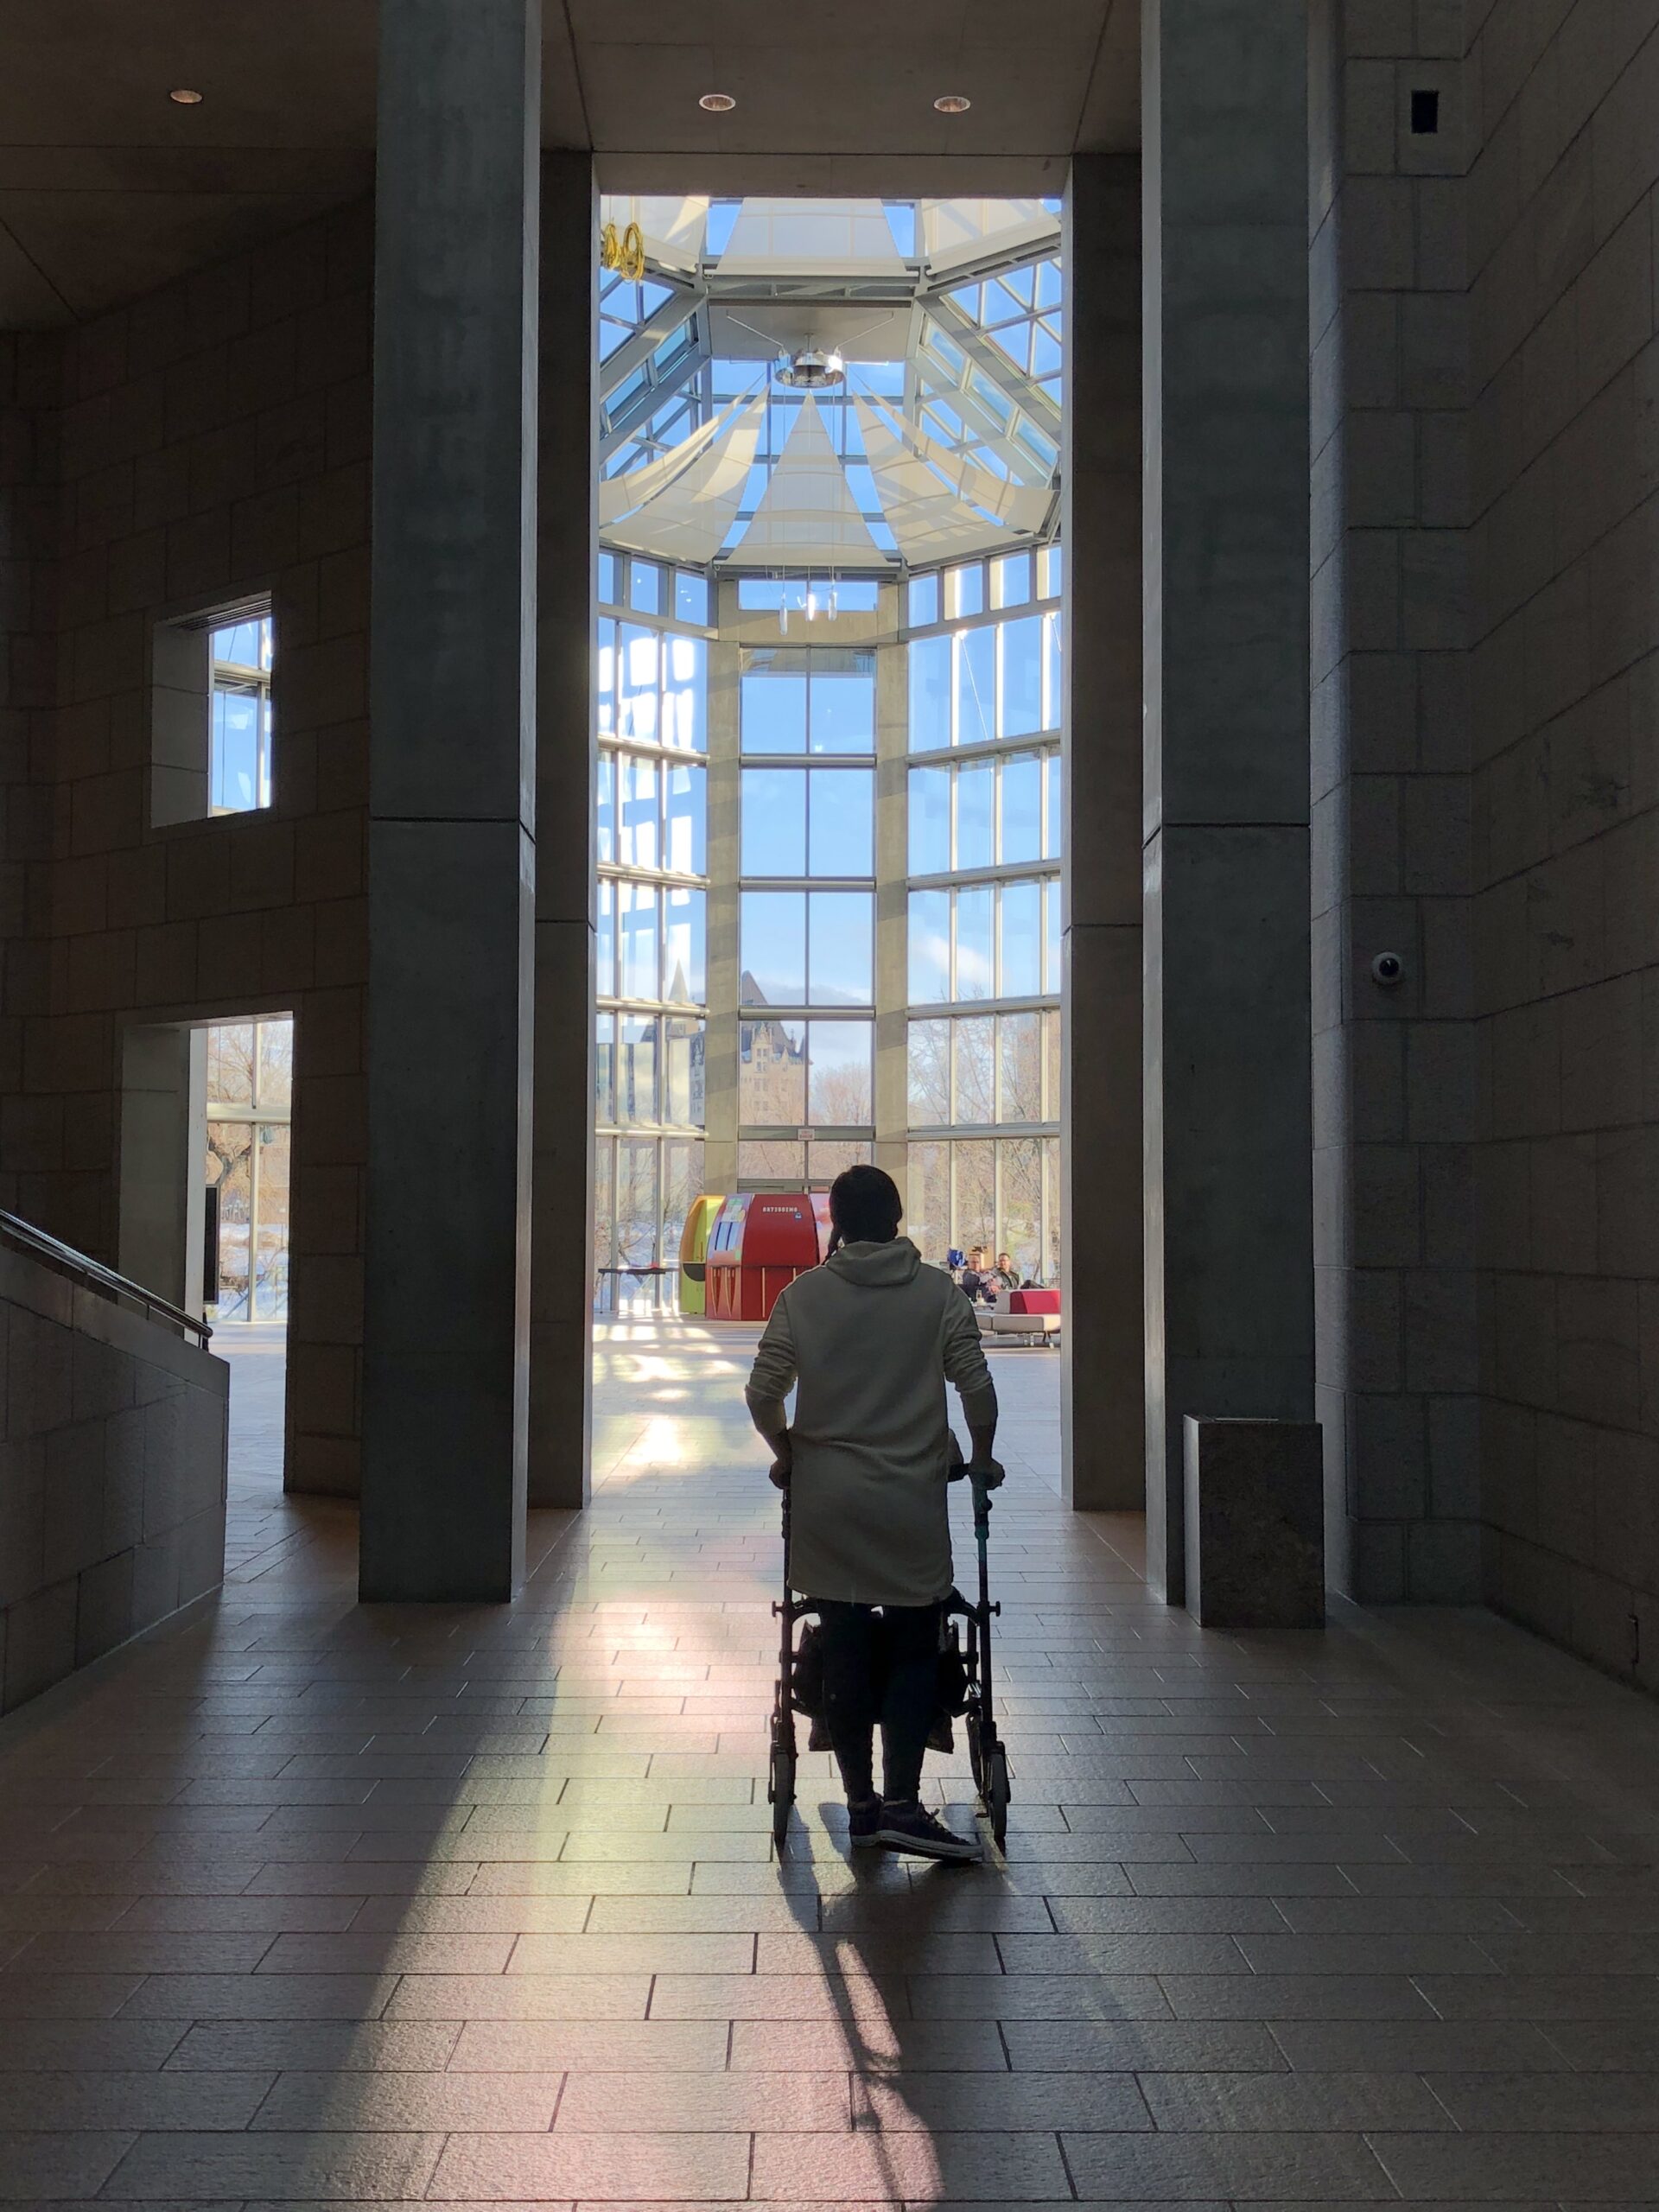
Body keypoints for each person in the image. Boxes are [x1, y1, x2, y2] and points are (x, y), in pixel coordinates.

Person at [746, 1165, 1002, 1862]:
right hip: (910, 1502)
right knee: (917, 1640)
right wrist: (981, 1454)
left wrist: (787, 1450)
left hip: (829, 1503)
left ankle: (860, 1806)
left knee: (846, 1641)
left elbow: (763, 1391)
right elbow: (976, 1386)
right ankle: (901, 1803)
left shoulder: (805, 1295)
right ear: (895, 1218)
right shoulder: (936, 1294)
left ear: (836, 1222)